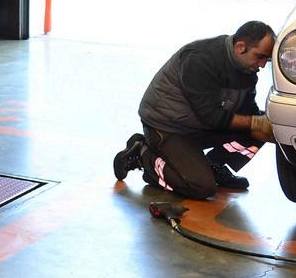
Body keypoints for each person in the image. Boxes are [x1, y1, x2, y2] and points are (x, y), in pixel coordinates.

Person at [113, 21, 276, 198]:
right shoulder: (200, 59)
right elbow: (211, 117)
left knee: (264, 127)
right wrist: (256, 122)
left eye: (266, 60)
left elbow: (248, 112)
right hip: (167, 127)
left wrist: (274, 130)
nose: (262, 65)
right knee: (201, 187)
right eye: (260, 57)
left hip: (198, 125)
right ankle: (143, 155)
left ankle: (213, 165)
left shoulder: (247, 70)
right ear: (240, 47)